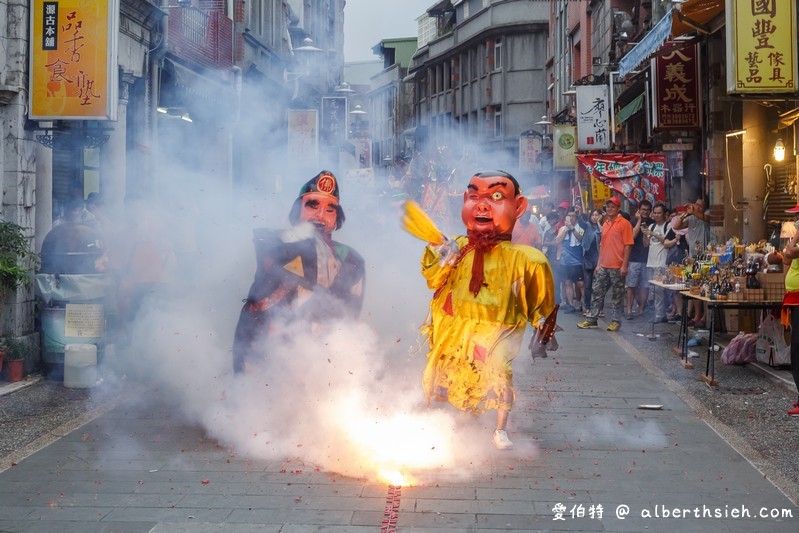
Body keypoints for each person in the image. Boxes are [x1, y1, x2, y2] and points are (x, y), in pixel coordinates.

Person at [416, 170, 555, 449]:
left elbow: (540, 301)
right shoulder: (457, 247)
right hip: (459, 327)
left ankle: (500, 429)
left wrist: (543, 323)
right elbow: (433, 279)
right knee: (457, 372)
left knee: (500, 372)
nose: (482, 205)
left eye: (495, 196)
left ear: (518, 207)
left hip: (499, 329)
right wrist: (442, 254)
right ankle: (459, 422)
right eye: (474, 196)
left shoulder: (526, 259)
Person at [232, 170, 365, 373]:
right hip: (270, 360)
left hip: (325, 364)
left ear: (337, 217)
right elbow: (276, 254)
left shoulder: (351, 260)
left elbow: (350, 318)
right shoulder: (272, 243)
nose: (320, 216)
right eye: (313, 206)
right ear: (297, 211)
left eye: (330, 210)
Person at [577, 196, 634, 331]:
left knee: (617, 295)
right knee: (596, 292)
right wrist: (598, 264)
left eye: (612, 206)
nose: (609, 209)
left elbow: (628, 245)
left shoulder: (624, 223)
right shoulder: (606, 223)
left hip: (617, 265)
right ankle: (592, 319)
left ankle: (616, 321)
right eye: (608, 206)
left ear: (618, 208)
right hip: (603, 265)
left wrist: (625, 265)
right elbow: (602, 246)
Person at [765, 204, 799, 416]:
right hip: (794, 299)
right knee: (796, 349)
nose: (795, 220)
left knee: (797, 348)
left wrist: (795, 237)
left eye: (797, 216)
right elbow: (787, 258)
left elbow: (789, 252)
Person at [672, 197, 710, 327]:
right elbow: (676, 226)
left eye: (700, 205)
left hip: (706, 257)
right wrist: (683, 215)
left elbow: (706, 219)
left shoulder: (707, 214)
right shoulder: (691, 218)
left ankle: (705, 317)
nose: (697, 207)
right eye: (696, 204)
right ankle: (696, 315)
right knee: (695, 287)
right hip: (693, 256)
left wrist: (694, 212)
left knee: (705, 288)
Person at [642, 202, 676, 323]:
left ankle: (660, 314)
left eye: (659, 213)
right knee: (653, 290)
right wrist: (646, 234)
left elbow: (666, 243)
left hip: (662, 263)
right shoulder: (651, 226)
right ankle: (660, 313)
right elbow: (646, 244)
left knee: (659, 290)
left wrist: (654, 234)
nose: (656, 215)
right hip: (650, 262)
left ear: (664, 214)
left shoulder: (668, 226)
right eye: (654, 213)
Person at [625, 200, 653, 319]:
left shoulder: (652, 223)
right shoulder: (632, 222)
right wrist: (640, 221)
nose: (645, 212)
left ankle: (641, 309)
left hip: (648, 259)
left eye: (647, 210)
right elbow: (632, 237)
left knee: (645, 286)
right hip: (634, 259)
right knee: (631, 286)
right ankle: (629, 310)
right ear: (639, 210)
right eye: (643, 210)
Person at [555, 206, 584, 313]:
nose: (571, 218)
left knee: (580, 283)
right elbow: (557, 240)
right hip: (565, 260)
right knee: (568, 282)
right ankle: (570, 304)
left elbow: (581, 239)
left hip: (577, 260)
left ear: (576, 218)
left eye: (573, 216)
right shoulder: (562, 228)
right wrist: (566, 229)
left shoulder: (580, 228)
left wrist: (572, 228)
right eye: (569, 215)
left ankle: (583, 304)